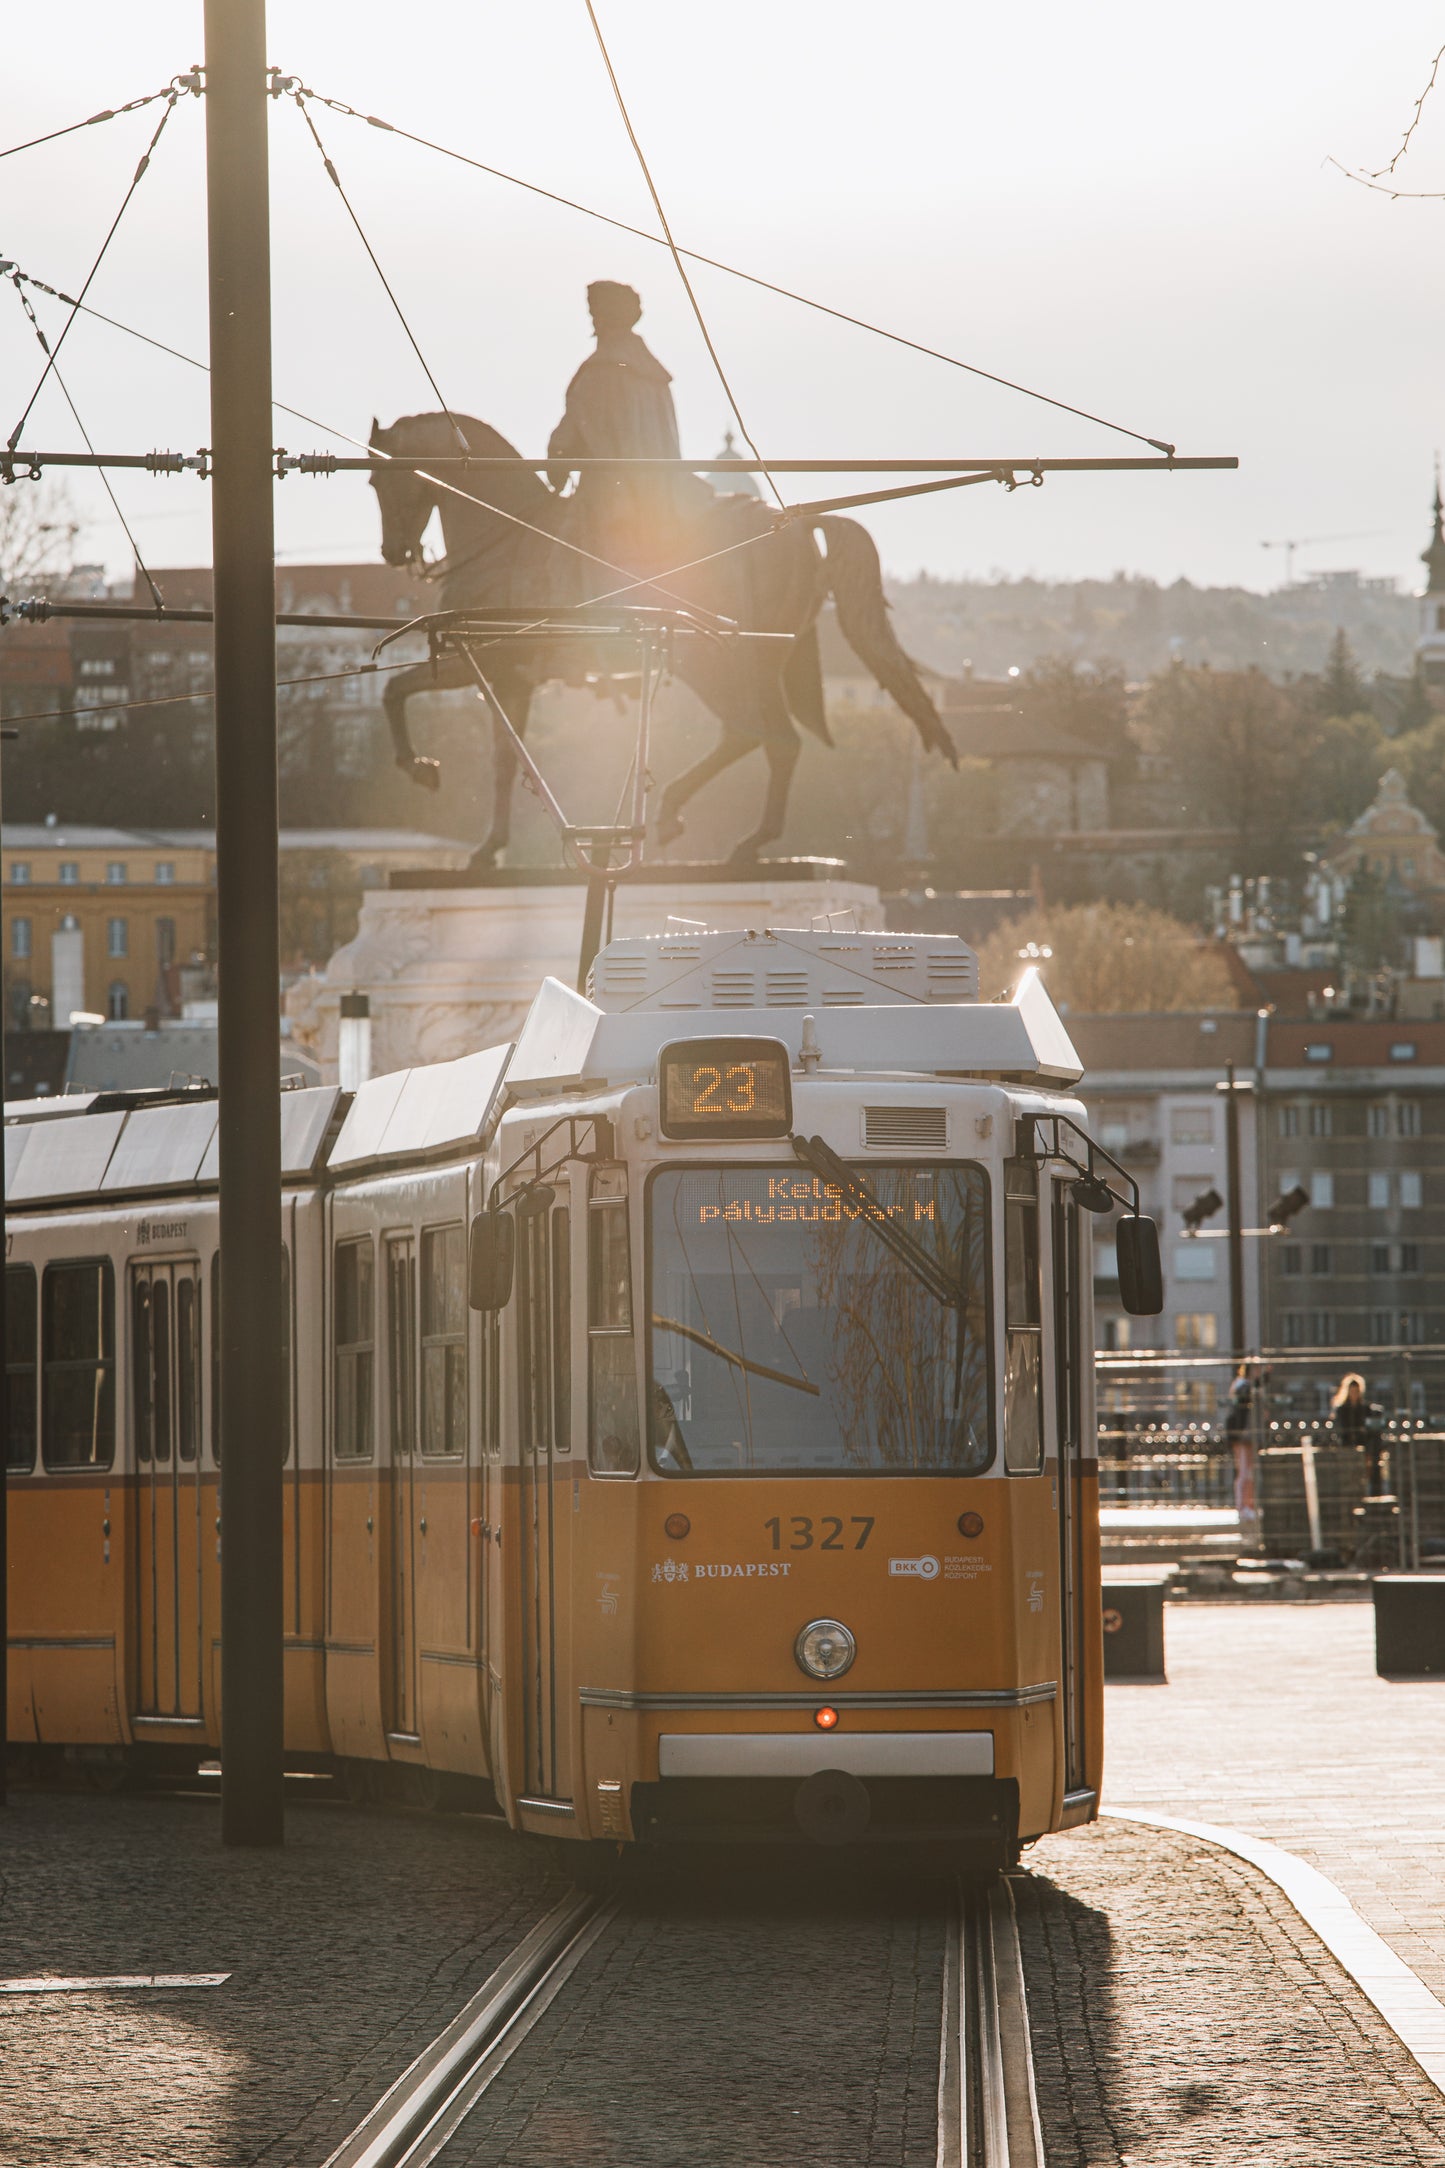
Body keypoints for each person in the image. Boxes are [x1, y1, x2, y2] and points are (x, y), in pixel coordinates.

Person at [547, 282, 706, 580]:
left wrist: (556, 465)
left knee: (558, 561)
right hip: (663, 496)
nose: (593, 322)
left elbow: (566, 439)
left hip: (612, 498)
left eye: (595, 315)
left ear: (605, 319)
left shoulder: (599, 371)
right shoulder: (653, 373)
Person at [1330, 1371, 1387, 1497]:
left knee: (1373, 1461)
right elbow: (1341, 1429)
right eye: (1352, 1391)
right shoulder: (1342, 1409)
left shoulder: (1366, 1409)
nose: (1354, 1394)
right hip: (1348, 1444)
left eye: (1356, 1391)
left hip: (1364, 1443)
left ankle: (1375, 1492)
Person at [1223, 1361, 1258, 1527]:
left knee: (1246, 1471)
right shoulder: (1244, 1386)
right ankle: (1243, 1505)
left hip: (1243, 1433)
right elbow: (1243, 1406)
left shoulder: (1240, 1385)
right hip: (1243, 1434)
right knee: (1245, 1471)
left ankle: (1245, 1505)